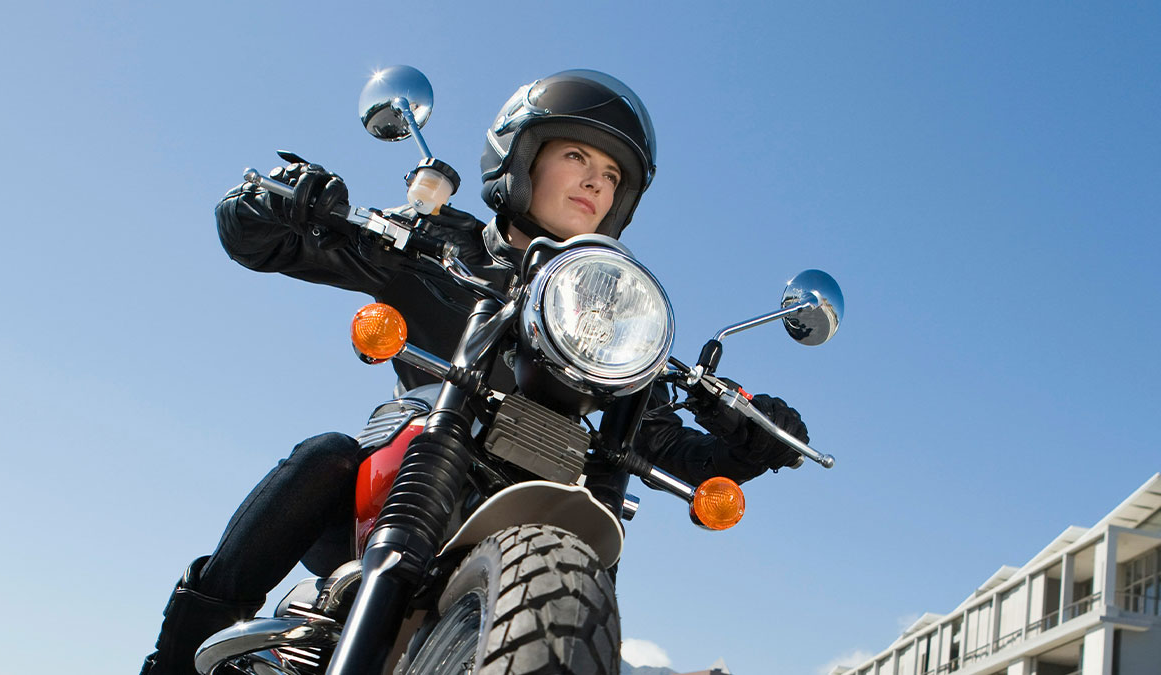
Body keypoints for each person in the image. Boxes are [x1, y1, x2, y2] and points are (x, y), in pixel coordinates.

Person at [141, 69, 810, 675]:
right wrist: (281, 200)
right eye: (575, 154)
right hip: (404, 466)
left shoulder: (606, 313)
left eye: (611, 173)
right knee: (324, 457)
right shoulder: (443, 241)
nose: (593, 181)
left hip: (539, 501)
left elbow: (666, 446)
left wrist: (754, 443)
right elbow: (264, 241)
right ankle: (172, 662)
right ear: (521, 159)